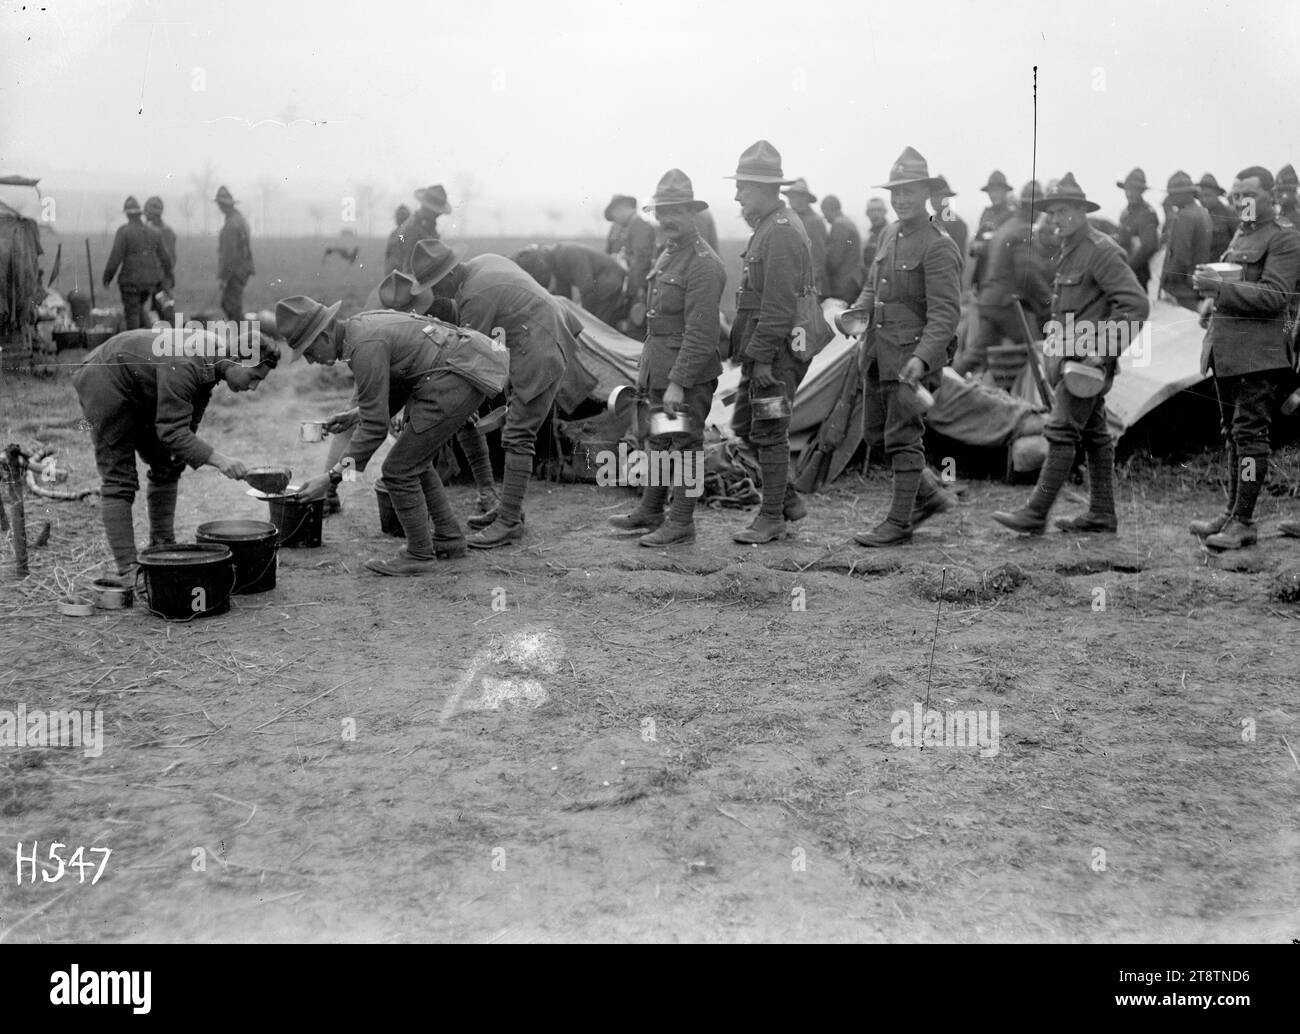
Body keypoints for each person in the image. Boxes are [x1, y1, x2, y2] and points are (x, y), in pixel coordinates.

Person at [283, 297, 511, 576]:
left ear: (324, 335)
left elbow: (376, 429)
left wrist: (331, 477)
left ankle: (419, 554)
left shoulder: (363, 346)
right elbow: (400, 383)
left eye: (308, 351)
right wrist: (356, 415)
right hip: (458, 373)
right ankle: (449, 539)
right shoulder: (360, 330)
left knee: (397, 470)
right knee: (416, 460)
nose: (309, 361)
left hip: (455, 379)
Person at [992, 173, 1149, 536]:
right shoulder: (1070, 251)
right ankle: (1101, 514)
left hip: (1087, 364)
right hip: (1070, 360)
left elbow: (1136, 304)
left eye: (1064, 212)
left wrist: (1102, 349)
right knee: (1095, 435)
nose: (1056, 219)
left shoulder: (1101, 250)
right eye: (1052, 213)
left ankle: (1035, 513)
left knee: (1061, 431)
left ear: (1081, 212)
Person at [72, 325, 276, 580]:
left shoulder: (214, 359)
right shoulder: (187, 362)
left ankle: (162, 544)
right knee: (118, 478)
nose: (254, 387)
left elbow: (185, 424)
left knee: (170, 462)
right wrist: (220, 461)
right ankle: (128, 570)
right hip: (105, 378)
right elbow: (171, 432)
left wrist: (188, 450)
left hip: (142, 385)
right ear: (237, 360)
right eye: (254, 377)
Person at [418, 242, 582, 547]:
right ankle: (509, 510)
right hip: (540, 337)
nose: (436, 292)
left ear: (451, 272)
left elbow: (471, 360)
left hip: (539, 348)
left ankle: (508, 523)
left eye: (437, 284)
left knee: (518, 435)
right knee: (517, 431)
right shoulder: (484, 260)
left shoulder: (475, 296)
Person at [849, 147, 962, 547]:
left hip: (911, 359)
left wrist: (921, 358)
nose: (901, 199)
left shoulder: (938, 245)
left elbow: (946, 315)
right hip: (879, 354)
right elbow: (871, 286)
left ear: (926, 194)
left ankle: (898, 523)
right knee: (876, 434)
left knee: (902, 437)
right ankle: (929, 495)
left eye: (909, 191)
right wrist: (856, 314)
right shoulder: (888, 234)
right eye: (896, 192)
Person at [607, 170, 725, 546]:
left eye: (676, 211)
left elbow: (701, 333)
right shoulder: (669, 254)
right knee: (660, 440)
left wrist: (678, 382)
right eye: (662, 212)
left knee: (686, 445)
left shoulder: (703, 264)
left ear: (693, 213)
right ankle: (652, 509)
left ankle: (682, 523)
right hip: (661, 368)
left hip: (685, 374)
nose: (668, 219)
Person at [1189, 166, 1300, 550]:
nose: (1240, 203)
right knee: (1233, 435)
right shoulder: (1242, 233)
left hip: (1260, 355)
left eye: (1248, 196)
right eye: (1236, 197)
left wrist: (1219, 289)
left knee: (1250, 435)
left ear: (1271, 197)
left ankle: (1245, 521)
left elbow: (1275, 297)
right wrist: (1210, 296)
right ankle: (1233, 511)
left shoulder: (1285, 239)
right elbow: (1236, 286)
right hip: (1228, 350)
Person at [724, 140, 819, 545]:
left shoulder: (780, 232)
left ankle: (771, 517)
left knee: (768, 429)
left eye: (743, 187)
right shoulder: (770, 225)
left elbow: (779, 307)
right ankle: (789, 498)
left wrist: (761, 360)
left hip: (775, 356)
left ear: (764, 188)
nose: (737, 195)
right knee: (746, 424)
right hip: (766, 351)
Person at [952, 181, 1052, 387]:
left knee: (975, 355)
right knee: (1037, 351)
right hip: (1006, 304)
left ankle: (941, 386)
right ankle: (1036, 400)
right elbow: (1029, 273)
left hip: (990, 301)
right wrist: (1048, 300)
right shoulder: (1023, 231)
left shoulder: (1009, 225)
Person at [102, 196, 173, 331]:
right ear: (140, 213)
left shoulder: (124, 232)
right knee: (139, 309)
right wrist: (170, 276)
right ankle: (148, 336)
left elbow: (115, 258)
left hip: (130, 282)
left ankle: (134, 344)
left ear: (127, 214)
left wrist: (107, 277)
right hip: (150, 282)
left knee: (132, 313)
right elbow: (165, 258)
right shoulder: (154, 232)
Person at [513, 242, 626, 325]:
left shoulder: (569, 253)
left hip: (609, 279)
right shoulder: (555, 263)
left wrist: (584, 319)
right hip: (600, 281)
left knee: (598, 322)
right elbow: (564, 296)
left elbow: (587, 287)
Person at [1159, 171, 1213, 310]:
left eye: (1173, 193)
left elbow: (1181, 256)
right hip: (1199, 280)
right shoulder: (1202, 211)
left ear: (1186, 193)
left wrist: (1167, 279)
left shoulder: (1184, 216)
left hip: (1185, 289)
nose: (1170, 197)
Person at [604, 194, 657, 331]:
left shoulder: (640, 226)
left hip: (635, 286)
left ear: (623, 208)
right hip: (620, 284)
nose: (614, 218)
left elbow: (641, 260)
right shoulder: (620, 227)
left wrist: (636, 290)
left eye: (615, 213)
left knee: (634, 324)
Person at [968, 170, 1017, 294]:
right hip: (983, 278)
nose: (994, 195)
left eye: (998, 190)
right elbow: (974, 244)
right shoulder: (986, 214)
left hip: (1002, 280)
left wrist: (982, 247)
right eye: (991, 191)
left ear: (1005, 192)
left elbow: (1006, 248)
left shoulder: (1012, 216)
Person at [1115, 168, 1159, 292]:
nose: (1130, 193)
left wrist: (1127, 268)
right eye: (1128, 189)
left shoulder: (1147, 213)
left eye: (1134, 189)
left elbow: (1149, 246)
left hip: (1137, 274)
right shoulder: (1125, 213)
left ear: (1141, 191)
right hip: (1123, 272)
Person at [782, 179, 828, 297]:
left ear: (807, 199)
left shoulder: (814, 222)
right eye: (791, 197)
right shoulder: (791, 219)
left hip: (805, 288)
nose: (794, 201)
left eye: (799, 197)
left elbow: (817, 259)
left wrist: (806, 287)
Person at [215, 185, 254, 320]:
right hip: (243, 269)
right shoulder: (240, 219)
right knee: (231, 305)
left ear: (222, 205)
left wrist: (224, 278)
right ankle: (239, 336)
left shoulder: (231, 225)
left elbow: (229, 256)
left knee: (231, 306)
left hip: (235, 271)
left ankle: (241, 339)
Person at [820, 194, 862, 303]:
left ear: (828, 209)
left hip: (843, 285)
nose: (824, 217)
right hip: (851, 282)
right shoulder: (848, 222)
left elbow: (834, 259)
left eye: (824, 212)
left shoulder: (839, 225)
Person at [143, 196, 177, 324]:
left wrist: (163, 278)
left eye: (147, 212)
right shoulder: (152, 229)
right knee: (157, 309)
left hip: (161, 280)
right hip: (154, 278)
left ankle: (176, 337)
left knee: (166, 309)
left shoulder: (165, 232)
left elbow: (168, 259)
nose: (145, 215)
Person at [1199, 173, 1239, 259]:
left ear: (1217, 194)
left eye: (1207, 195)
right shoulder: (1201, 216)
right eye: (1200, 196)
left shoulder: (1229, 214)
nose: (1203, 200)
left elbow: (1239, 242)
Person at [928, 175, 968, 254]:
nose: (933, 199)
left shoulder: (957, 224)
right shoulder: (930, 220)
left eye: (938, 195)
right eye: (931, 196)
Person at [861, 197, 890, 275]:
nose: (875, 214)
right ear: (867, 213)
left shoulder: (891, 233)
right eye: (872, 211)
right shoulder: (867, 236)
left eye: (879, 210)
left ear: (885, 212)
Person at [383, 203, 411, 275]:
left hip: (399, 268)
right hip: (394, 267)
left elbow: (403, 245)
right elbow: (388, 252)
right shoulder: (396, 233)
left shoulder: (401, 233)